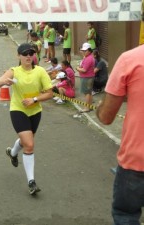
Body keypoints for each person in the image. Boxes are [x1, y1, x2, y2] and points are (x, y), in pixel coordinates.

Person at [0, 43, 53, 195]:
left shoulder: (40, 71)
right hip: (18, 110)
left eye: (31, 53)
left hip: (35, 111)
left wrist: (34, 99)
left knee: (27, 141)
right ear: (18, 56)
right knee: (30, 145)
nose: (28, 56)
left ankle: (13, 153)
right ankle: (31, 182)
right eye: (25, 53)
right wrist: (4, 82)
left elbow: (49, 93)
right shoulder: (14, 71)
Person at [96, 44, 144, 225]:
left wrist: (100, 107)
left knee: (126, 216)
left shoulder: (130, 59)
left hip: (136, 161)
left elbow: (106, 116)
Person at [76, 42, 95, 113]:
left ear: (89, 51)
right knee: (89, 92)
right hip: (88, 77)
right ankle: (89, 106)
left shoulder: (88, 59)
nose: (83, 52)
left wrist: (77, 68)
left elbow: (84, 70)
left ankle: (87, 107)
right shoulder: (88, 57)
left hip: (87, 77)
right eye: (83, 51)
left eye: (85, 51)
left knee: (86, 93)